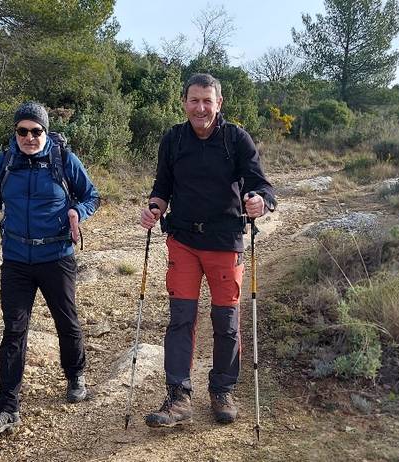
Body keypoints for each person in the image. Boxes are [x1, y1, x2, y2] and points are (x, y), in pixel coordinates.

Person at [139, 73, 276, 427]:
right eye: (194, 100)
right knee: (181, 319)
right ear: (184, 102)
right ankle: (178, 396)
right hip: (183, 241)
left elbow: (261, 184)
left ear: (219, 104)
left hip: (224, 242)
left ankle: (222, 390)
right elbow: (162, 185)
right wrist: (154, 207)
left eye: (207, 101)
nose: (201, 108)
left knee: (225, 321)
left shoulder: (235, 139)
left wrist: (261, 201)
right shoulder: (173, 139)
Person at [0, 102, 100, 434]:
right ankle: (7, 407)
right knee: (13, 332)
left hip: (56, 256)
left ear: (45, 130)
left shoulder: (64, 159)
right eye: (22, 131)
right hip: (16, 260)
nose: (29, 137)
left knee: (66, 321)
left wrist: (76, 213)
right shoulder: (5, 161)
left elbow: (92, 196)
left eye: (35, 131)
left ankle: (75, 376)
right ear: (15, 133)